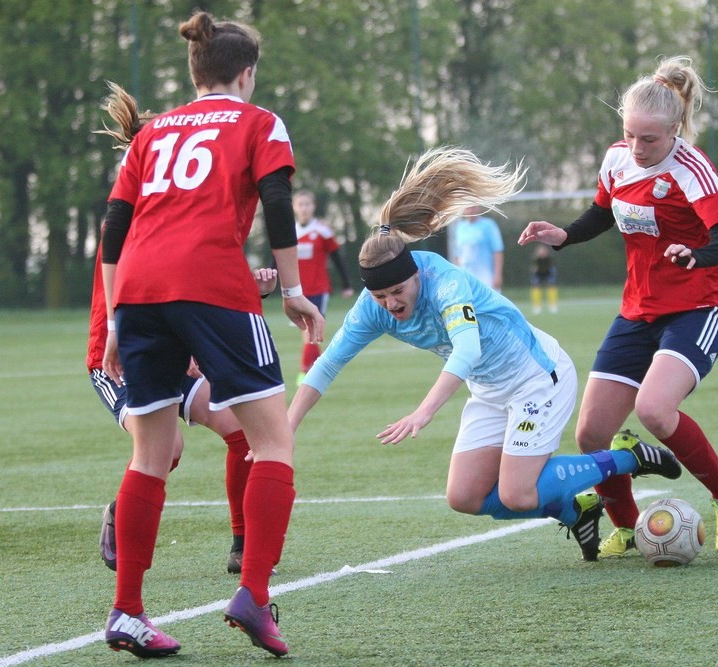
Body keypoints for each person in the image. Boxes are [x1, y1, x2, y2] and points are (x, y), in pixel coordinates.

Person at [287, 146, 682, 563]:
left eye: (397, 291)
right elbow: (328, 363)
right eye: (380, 296)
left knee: (517, 493)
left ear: (415, 274)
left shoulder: (445, 283)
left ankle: (626, 457)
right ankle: (576, 510)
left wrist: (423, 412)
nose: (391, 304)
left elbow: (466, 349)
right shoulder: (373, 307)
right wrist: (286, 428)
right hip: (490, 391)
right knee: (464, 496)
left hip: (537, 378)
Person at [97, 11, 323, 659]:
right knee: (273, 440)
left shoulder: (153, 131)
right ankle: (253, 592)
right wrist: (293, 288)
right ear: (246, 73)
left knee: (148, 455)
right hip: (212, 285)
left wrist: (114, 320)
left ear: (195, 70)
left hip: (138, 290)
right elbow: (276, 201)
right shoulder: (259, 122)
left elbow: (115, 225)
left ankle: (127, 611)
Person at [518, 55, 718, 559]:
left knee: (655, 410)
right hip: (637, 311)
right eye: (630, 135)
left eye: (650, 139)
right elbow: (602, 213)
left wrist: (696, 253)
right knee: (592, 433)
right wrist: (563, 236)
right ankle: (627, 527)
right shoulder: (617, 158)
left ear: (675, 130)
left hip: (697, 308)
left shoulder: (692, 168)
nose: (638, 148)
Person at [88, 247, 277, 576]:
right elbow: (140, 288)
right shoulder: (128, 222)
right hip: (121, 359)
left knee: (242, 430)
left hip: (173, 352)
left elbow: (203, 283)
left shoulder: (193, 224)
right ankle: (122, 513)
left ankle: (242, 547)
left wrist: (252, 289)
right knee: (167, 447)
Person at [292, 189, 354, 384]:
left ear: (313, 207)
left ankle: (306, 373)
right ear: (294, 207)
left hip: (318, 289)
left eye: (307, 204)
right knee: (307, 333)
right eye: (300, 204)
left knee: (310, 331)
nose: (304, 208)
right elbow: (278, 259)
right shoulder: (290, 231)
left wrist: (346, 284)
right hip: (296, 291)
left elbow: (337, 258)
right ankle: (317, 372)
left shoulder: (322, 231)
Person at [452, 204, 505, 291]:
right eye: (468, 207)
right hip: (467, 277)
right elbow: (458, 255)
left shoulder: (488, 225)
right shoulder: (460, 228)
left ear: (478, 208)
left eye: (473, 207)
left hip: (486, 276)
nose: (471, 210)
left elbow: (497, 251)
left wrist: (497, 275)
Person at [529, 244, 559, 314]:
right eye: (540, 250)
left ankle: (553, 305)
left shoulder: (549, 258)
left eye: (543, 250)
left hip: (548, 274)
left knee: (551, 287)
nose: (542, 252)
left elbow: (552, 267)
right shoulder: (536, 259)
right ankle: (537, 306)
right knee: (536, 287)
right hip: (538, 274)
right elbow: (533, 268)